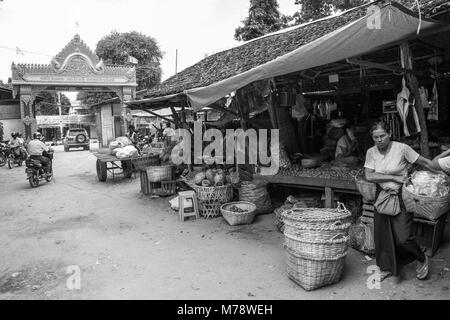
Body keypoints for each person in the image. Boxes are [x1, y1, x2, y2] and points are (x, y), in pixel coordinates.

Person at [364, 120, 433, 281]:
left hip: (402, 195)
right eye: (376, 137)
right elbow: (369, 175)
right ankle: (387, 268)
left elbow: (423, 162)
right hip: (382, 195)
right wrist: (394, 177)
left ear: (389, 134)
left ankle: (421, 258)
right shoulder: (371, 152)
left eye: (382, 136)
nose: (379, 140)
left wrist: (438, 168)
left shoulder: (402, 148)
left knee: (403, 237)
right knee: (383, 235)